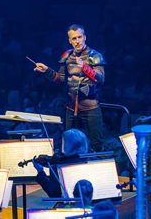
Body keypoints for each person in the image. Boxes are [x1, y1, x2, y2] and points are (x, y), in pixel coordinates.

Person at [34, 24, 106, 152]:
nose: (77, 41)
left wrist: (85, 67)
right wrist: (47, 71)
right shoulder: (67, 56)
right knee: (68, 144)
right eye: (74, 38)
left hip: (91, 107)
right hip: (71, 108)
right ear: (69, 40)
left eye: (79, 37)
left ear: (85, 37)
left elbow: (100, 79)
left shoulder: (94, 56)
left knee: (96, 145)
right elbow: (60, 78)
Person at [33, 128, 89, 197]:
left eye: (63, 142)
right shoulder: (89, 160)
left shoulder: (58, 166)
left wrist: (40, 172)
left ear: (67, 145)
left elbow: (54, 194)